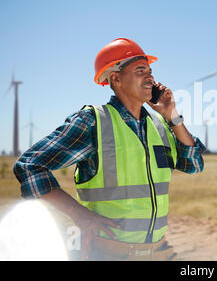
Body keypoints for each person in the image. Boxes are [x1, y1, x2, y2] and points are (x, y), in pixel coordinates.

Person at [13, 38, 206, 260]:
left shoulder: (161, 125)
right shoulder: (93, 122)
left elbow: (194, 164)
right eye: (140, 70)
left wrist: (172, 116)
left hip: (159, 252)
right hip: (109, 254)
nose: (150, 77)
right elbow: (30, 165)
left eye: (150, 71)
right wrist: (79, 215)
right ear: (116, 78)